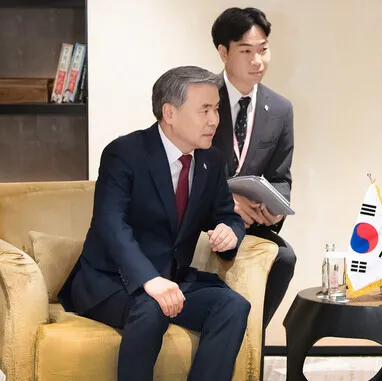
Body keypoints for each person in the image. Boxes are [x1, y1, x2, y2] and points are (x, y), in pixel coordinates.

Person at [58, 66, 249, 381]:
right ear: (169, 113)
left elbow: (226, 214)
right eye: (204, 110)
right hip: (112, 281)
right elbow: (111, 224)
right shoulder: (124, 153)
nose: (215, 120)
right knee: (152, 307)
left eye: (217, 109)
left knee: (233, 306)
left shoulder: (211, 160)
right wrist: (149, 279)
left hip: (173, 280)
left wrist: (231, 231)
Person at [210, 7, 296, 335]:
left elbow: (280, 177)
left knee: (284, 258)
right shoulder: (200, 98)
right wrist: (226, 200)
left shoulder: (281, 109)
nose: (257, 61)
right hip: (203, 220)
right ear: (224, 52)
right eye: (246, 51)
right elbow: (181, 167)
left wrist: (276, 208)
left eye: (263, 49)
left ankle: (251, 340)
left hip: (252, 224)